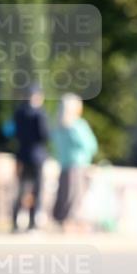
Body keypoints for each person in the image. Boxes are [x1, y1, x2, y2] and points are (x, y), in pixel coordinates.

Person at [51, 93, 98, 230]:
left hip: (63, 163)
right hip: (78, 164)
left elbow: (54, 146)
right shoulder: (77, 125)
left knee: (64, 194)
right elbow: (91, 145)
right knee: (75, 195)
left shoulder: (57, 126)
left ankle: (62, 220)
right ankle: (71, 222)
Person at [12, 84, 48, 232]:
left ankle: (15, 222)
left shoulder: (18, 112)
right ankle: (32, 223)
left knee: (21, 189)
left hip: (21, 155)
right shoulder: (40, 114)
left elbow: (13, 133)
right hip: (37, 157)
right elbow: (44, 135)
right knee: (36, 191)